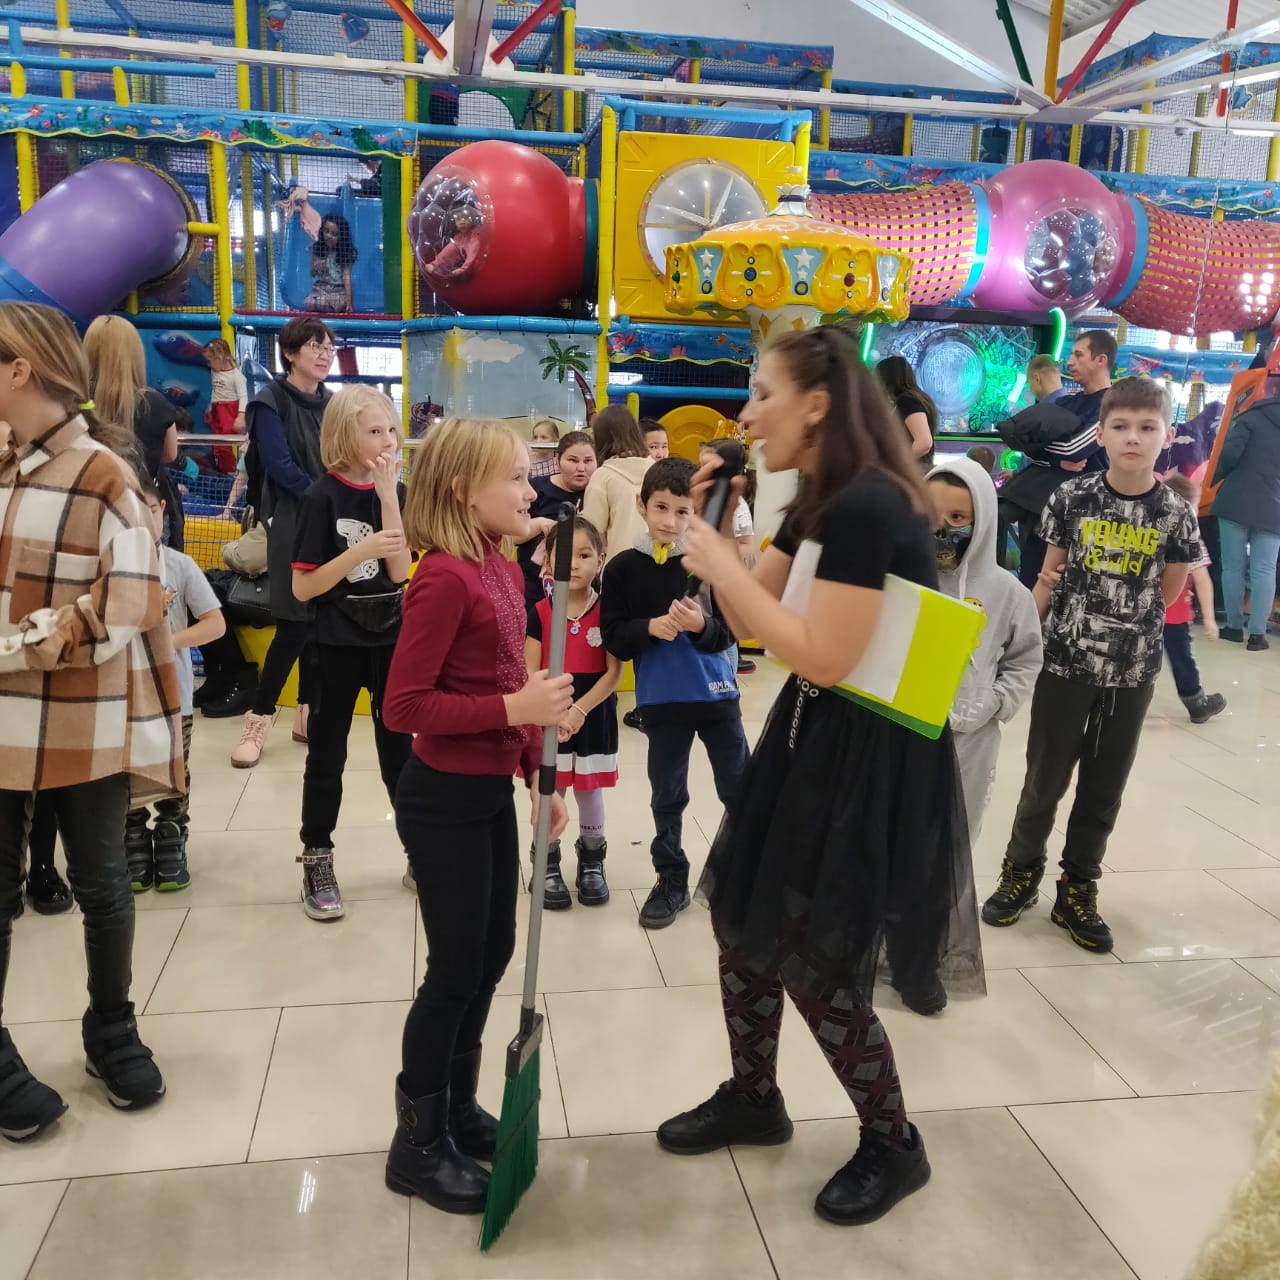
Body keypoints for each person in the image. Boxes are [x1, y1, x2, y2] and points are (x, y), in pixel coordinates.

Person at [655, 326, 982, 1227]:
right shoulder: (822, 499)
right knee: (742, 923)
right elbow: (745, 620)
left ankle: (894, 1143)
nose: (746, 414)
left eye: (762, 393)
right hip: (812, 737)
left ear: (817, 405)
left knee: (817, 957)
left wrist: (723, 566)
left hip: (865, 755)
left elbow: (825, 655)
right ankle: (754, 1096)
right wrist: (717, 529)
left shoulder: (869, 507)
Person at [381, 418, 573, 1215]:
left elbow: (502, 676)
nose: (532, 491)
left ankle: (456, 1109)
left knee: (492, 951)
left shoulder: (499, 565)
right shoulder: (442, 577)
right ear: (464, 490)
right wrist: (515, 710)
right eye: (517, 478)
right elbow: (403, 708)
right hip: (442, 799)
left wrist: (533, 772)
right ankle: (416, 1144)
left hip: (490, 787)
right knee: (455, 968)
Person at [0, 301, 180, 1139]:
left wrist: (33, 641)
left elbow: (132, 598)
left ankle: (112, 1028)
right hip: (5, 720)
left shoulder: (104, 473)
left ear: (20, 369)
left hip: (87, 714)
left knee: (103, 884)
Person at [983, 378, 1199, 954]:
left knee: (1105, 784)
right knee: (1044, 777)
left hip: (1132, 672)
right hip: (1064, 664)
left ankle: (1078, 885)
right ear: (1100, 434)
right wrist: (1015, 642)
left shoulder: (1175, 513)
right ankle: (1020, 870)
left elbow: (1169, 591)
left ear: (1167, 437)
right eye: (1121, 426)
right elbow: (1049, 576)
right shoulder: (1072, 498)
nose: (1133, 438)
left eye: (1147, 427)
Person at [601, 457, 749, 930]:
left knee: (739, 789)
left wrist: (701, 625)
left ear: (696, 513)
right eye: (661, 507)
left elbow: (730, 633)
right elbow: (614, 636)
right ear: (641, 504)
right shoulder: (622, 569)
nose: (669, 520)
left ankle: (747, 876)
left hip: (717, 696)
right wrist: (650, 628)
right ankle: (671, 877)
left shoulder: (708, 565)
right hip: (661, 702)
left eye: (683, 511)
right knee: (667, 794)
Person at [290, 386, 414, 920]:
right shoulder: (321, 497)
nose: (388, 441)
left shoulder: (397, 492)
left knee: (400, 754)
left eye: (391, 430)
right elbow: (303, 587)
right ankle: (317, 856)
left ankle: (418, 850)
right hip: (333, 643)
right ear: (346, 434)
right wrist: (360, 550)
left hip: (389, 640)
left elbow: (399, 573)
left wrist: (388, 500)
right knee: (327, 756)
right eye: (374, 431)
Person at [925, 458, 1042, 860]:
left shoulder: (1008, 592)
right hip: (902, 729)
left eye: (958, 517)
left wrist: (995, 702)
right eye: (930, 516)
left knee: (956, 830)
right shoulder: (902, 578)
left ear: (984, 520)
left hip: (973, 737)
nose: (942, 529)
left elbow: (1026, 658)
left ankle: (944, 894)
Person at [231, 317, 335, 766]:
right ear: (290, 353)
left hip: (330, 518)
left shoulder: (333, 403)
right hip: (293, 519)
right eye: (315, 345)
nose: (325, 353)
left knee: (320, 623)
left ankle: (307, 713)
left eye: (329, 347)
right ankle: (258, 717)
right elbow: (280, 466)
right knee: (294, 624)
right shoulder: (268, 401)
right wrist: (326, 498)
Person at [124, 471, 226, 894]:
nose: (142, 521)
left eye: (149, 510)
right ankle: (131, 835)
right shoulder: (112, 569)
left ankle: (171, 835)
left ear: (162, 510)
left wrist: (170, 641)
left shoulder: (180, 566)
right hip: (121, 698)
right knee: (125, 770)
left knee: (175, 768)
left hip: (173, 696)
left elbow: (215, 624)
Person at [525, 516, 621, 910]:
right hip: (551, 718)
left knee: (589, 788)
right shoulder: (539, 613)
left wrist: (579, 710)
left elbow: (613, 673)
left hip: (593, 715)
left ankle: (592, 859)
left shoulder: (610, 612)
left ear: (601, 559)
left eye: (584, 555)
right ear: (547, 561)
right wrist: (557, 713)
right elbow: (530, 673)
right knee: (551, 788)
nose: (575, 564)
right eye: (564, 556)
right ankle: (546, 860)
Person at [998, 331, 1116, 588]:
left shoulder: (1112, 405)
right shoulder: (1066, 403)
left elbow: (1075, 448)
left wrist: (1045, 451)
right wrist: (1055, 461)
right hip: (1045, 510)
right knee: (1033, 579)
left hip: (1084, 516)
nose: (1069, 362)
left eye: (1078, 355)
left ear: (1101, 360)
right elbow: (1028, 447)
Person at [83, 314, 185, 552]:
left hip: (88, 508)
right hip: (142, 508)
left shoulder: (75, 402)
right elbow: (170, 454)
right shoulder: (155, 403)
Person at [1210, 376, 1280, 651]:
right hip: (1274, 507)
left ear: (1272, 389)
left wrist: (1215, 478)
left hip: (1235, 500)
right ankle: (1257, 635)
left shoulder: (1250, 417)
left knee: (1232, 567)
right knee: (1265, 570)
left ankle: (1233, 627)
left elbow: (1229, 455)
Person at [1161, 475, 1227, 722]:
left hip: (1144, 611)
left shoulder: (1151, 531)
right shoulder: (1191, 539)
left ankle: (1117, 699)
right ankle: (1196, 702)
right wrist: (1209, 619)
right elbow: (1202, 580)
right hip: (1175, 614)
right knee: (1182, 659)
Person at [700, 438, 759, 675]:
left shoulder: (737, 505)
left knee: (727, 633)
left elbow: (747, 545)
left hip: (728, 574)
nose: (703, 472)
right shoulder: (705, 499)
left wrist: (723, 557)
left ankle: (730, 676)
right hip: (711, 576)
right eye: (700, 465)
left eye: (710, 466)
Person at [518, 429, 596, 606]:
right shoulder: (534, 489)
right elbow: (510, 536)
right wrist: (540, 524)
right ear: (557, 460)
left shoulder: (598, 494)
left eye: (588, 461)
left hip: (582, 592)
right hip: (534, 589)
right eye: (573, 460)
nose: (581, 468)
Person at [582, 405, 652, 560]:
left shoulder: (603, 476)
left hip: (618, 564)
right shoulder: (656, 470)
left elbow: (592, 533)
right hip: (657, 562)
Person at [876, 354, 937, 463]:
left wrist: (896, 463)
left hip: (915, 468)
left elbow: (924, 443)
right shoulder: (916, 398)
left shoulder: (908, 401)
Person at [203, 338, 247, 474]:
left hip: (229, 410)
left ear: (220, 358)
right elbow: (216, 390)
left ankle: (231, 471)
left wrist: (241, 416)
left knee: (225, 442)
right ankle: (222, 469)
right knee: (217, 443)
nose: (208, 365)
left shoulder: (236, 376)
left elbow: (243, 396)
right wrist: (211, 406)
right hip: (218, 409)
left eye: (210, 361)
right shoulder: (215, 371)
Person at [304, 214, 356, 314]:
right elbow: (312, 273)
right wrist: (315, 267)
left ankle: (336, 305)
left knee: (324, 303)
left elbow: (346, 277)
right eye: (326, 231)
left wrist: (349, 302)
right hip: (320, 288)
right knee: (308, 303)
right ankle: (323, 304)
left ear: (341, 237)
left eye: (334, 234)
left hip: (337, 291)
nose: (329, 236)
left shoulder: (345, 253)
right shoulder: (317, 249)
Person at [421, 205, 482, 284]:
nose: (462, 222)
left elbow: (473, 252)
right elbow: (448, 253)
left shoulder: (476, 235)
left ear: (473, 219)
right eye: (458, 219)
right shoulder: (459, 238)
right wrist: (434, 265)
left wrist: (464, 269)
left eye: (466, 218)